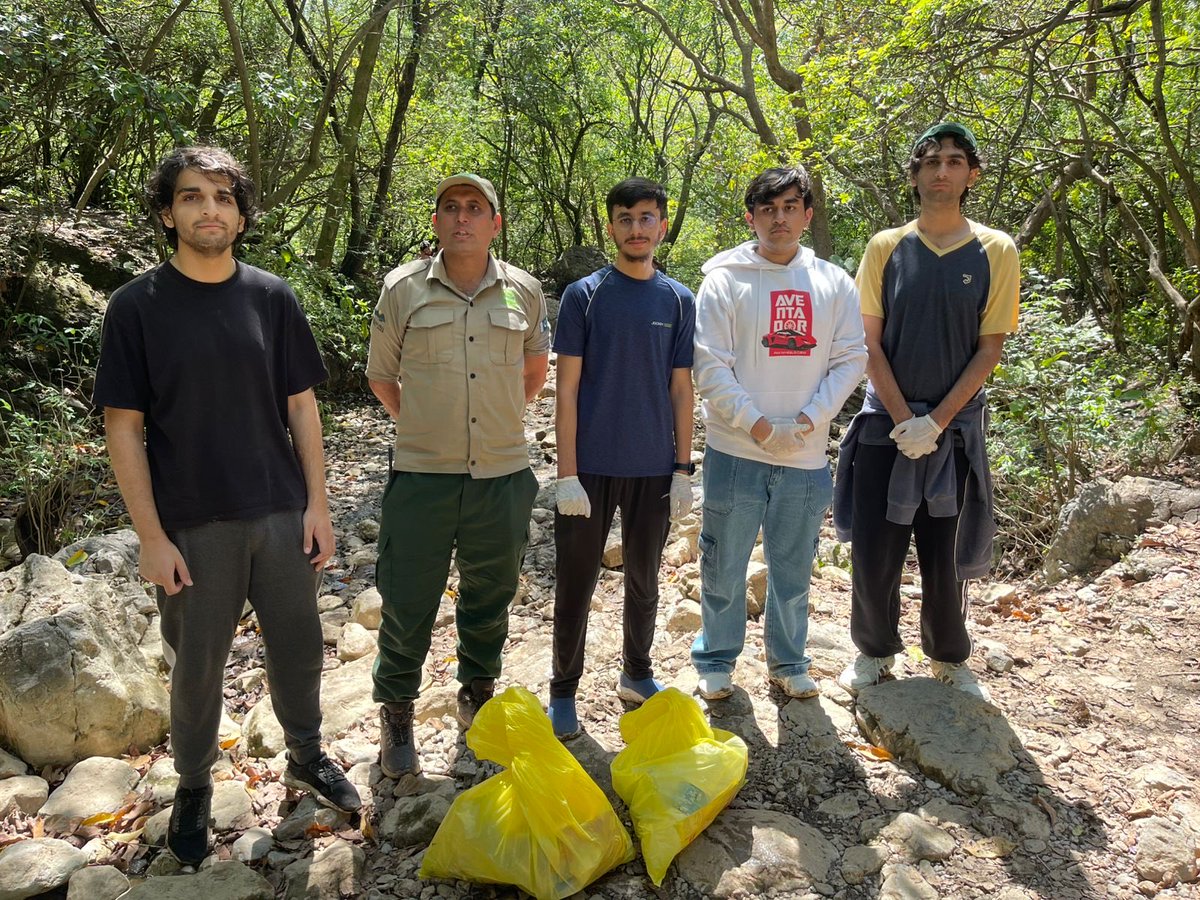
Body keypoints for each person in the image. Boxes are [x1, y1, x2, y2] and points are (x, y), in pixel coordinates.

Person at [93, 146, 360, 867]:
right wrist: (150, 536)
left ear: (241, 215)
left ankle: (304, 754)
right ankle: (193, 785)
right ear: (166, 212)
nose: (208, 209)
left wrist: (319, 504)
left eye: (222, 197)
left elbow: (301, 405)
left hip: (279, 510)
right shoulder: (136, 307)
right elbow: (123, 426)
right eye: (191, 196)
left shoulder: (271, 297)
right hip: (190, 520)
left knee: (300, 648)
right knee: (197, 665)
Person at [366, 173, 550, 778]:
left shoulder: (523, 290)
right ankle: (397, 709)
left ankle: (478, 691)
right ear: (437, 221)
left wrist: (491, 427)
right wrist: (427, 428)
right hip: (422, 476)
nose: (463, 217)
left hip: (502, 474)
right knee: (407, 599)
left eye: (476, 208)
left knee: (490, 594)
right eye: (451, 208)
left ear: (495, 223)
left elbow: (532, 375)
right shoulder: (403, 289)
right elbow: (382, 378)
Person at [833, 122, 1020, 701]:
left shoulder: (995, 250)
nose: (942, 171)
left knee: (945, 552)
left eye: (955, 161)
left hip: (954, 433)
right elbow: (869, 343)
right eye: (931, 160)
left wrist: (935, 422)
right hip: (883, 426)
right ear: (914, 174)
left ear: (972, 174)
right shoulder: (887, 247)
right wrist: (900, 419)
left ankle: (947, 657)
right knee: (875, 549)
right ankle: (874, 652)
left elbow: (990, 348)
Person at [691, 166, 867, 701]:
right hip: (735, 449)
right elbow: (708, 363)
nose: (780, 218)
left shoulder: (833, 282)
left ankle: (789, 662)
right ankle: (717, 660)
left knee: (792, 570)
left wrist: (813, 419)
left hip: (807, 454)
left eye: (791, 207)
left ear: (808, 215)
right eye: (768, 208)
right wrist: (758, 423)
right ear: (751, 217)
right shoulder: (724, 279)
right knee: (723, 563)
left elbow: (850, 357)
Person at [548, 177, 696, 740]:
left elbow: (682, 389)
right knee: (576, 581)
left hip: (653, 467)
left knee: (645, 577)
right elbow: (566, 390)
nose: (637, 228)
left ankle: (636, 672)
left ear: (662, 224)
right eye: (626, 218)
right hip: (589, 468)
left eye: (647, 217)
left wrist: (683, 469)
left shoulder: (679, 299)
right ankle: (563, 689)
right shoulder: (585, 295)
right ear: (610, 226)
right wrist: (566, 474)